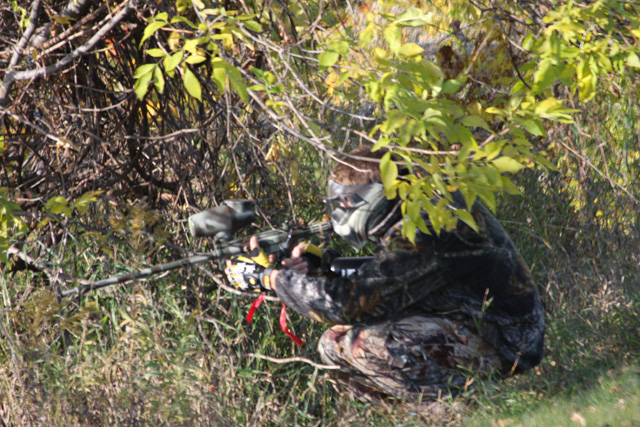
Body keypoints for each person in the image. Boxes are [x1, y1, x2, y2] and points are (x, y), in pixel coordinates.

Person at [225, 146, 545, 402]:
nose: (341, 210)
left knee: (354, 341)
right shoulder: (422, 203)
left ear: (378, 192)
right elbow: (396, 278)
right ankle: (411, 413)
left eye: (348, 201)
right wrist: (321, 267)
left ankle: (452, 413)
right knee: (332, 344)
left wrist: (270, 279)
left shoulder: (425, 223)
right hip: (475, 320)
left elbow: (348, 304)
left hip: (507, 342)